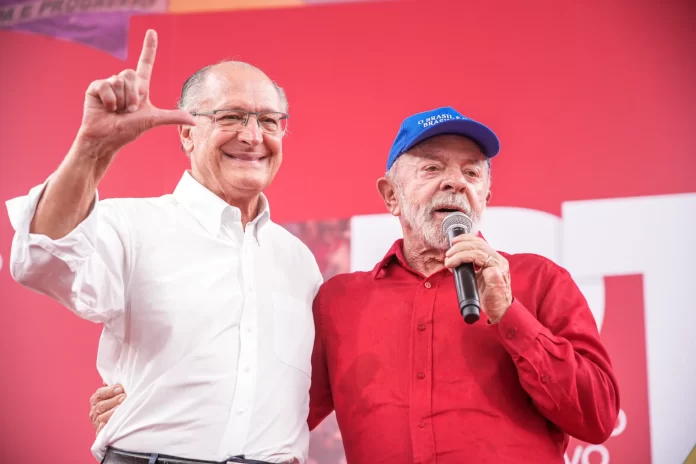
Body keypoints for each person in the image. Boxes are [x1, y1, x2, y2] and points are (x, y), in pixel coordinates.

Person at [90, 106, 621, 463]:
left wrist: (509, 315)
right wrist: (157, 407)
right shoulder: (340, 302)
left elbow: (597, 418)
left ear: (485, 195)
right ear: (390, 195)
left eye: (472, 173)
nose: (455, 182)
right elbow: (275, 406)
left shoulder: (539, 280)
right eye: (432, 168)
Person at [6, 29, 322, 464]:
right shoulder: (130, 226)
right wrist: (92, 149)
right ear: (187, 133)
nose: (253, 136)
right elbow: (43, 260)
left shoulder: (298, 260)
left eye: (269, 121)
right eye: (231, 117)